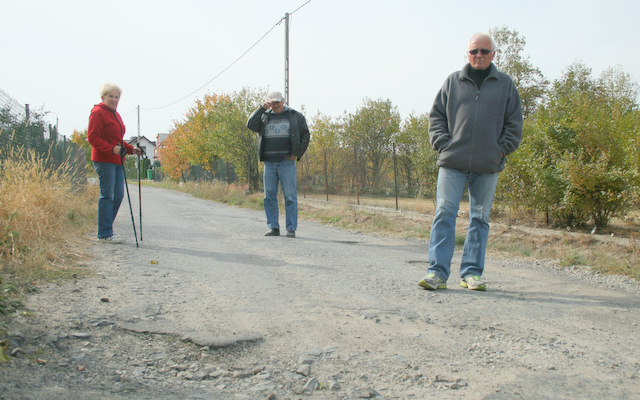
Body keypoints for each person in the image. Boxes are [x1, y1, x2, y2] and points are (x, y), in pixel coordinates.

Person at [418, 33, 523, 291]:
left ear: (493, 55)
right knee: (444, 213)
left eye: (484, 51)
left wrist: (501, 151)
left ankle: (471, 274)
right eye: (474, 51)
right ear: (467, 54)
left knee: (480, 218)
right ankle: (437, 273)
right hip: (452, 161)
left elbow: (514, 123)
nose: (479, 56)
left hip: (487, 165)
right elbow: (436, 116)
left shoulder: (505, 84)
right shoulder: (453, 82)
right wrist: (443, 143)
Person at [246, 91, 310, 238]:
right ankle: (273, 227)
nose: (275, 105)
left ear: (283, 101)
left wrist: (297, 153)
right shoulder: (264, 116)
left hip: (286, 162)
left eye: (277, 102)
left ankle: (291, 229)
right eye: (272, 103)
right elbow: (250, 124)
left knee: (290, 197)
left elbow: (305, 135)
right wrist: (262, 108)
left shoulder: (295, 116)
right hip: (269, 162)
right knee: (269, 196)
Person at [87, 83, 141, 243]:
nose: (114, 99)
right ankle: (105, 233)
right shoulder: (97, 113)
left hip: (117, 160)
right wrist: (111, 149)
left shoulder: (116, 115)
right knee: (107, 195)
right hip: (103, 160)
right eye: (110, 96)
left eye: (116, 97)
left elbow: (118, 140)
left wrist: (131, 150)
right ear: (103, 97)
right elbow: (93, 137)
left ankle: (106, 229)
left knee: (118, 195)